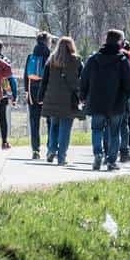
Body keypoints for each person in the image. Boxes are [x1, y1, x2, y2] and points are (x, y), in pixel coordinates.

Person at [80, 29, 130, 171]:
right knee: (115, 132)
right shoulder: (122, 61)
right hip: (116, 103)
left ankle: (98, 154)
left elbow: (84, 79)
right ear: (119, 42)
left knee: (97, 129)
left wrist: (83, 96)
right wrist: (126, 97)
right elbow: (129, 84)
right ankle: (111, 161)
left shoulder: (93, 59)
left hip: (96, 101)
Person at [39, 36, 84, 165]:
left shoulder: (52, 60)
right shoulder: (77, 60)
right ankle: (62, 156)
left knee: (54, 125)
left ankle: (52, 149)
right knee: (65, 129)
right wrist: (82, 96)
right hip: (69, 100)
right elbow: (82, 79)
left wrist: (40, 97)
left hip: (52, 98)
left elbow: (45, 80)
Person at [23, 32, 51, 160]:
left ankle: (35, 149)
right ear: (47, 42)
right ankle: (51, 148)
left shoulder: (30, 56)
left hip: (32, 92)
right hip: (47, 92)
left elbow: (25, 76)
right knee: (51, 121)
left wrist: (26, 91)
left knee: (34, 122)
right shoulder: (51, 56)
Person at [0, 40, 17, 151]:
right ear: (1, 48)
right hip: (2, 94)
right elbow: (10, 79)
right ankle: (4, 142)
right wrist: (13, 95)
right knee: (2, 119)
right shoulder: (5, 61)